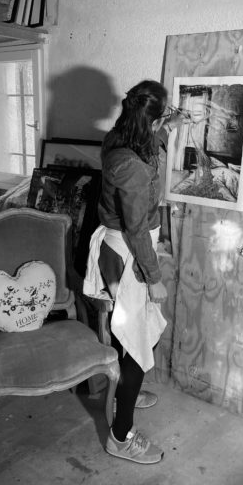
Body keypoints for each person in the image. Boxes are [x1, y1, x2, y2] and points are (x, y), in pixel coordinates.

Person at [84, 79, 188, 464]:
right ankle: (120, 436)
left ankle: (125, 391)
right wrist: (154, 277)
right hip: (130, 253)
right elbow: (136, 229)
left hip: (125, 249)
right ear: (151, 120)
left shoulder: (117, 137)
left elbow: (148, 140)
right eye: (164, 115)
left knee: (136, 337)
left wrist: (167, 125)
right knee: (140, 341)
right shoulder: (132, 167)